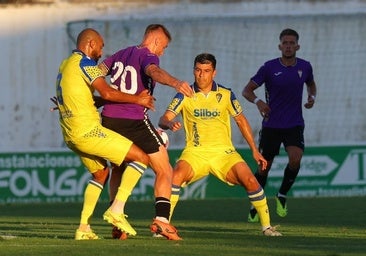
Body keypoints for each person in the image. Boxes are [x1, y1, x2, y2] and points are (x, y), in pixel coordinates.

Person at [158, 53, 282, 236]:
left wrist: (255, 151)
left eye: (206, 71)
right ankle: (163, 227)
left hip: (225, 154)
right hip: (195, 152)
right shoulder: (184, 95)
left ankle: (267, 227)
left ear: (214, 72)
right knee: (175, 176)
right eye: (198, 70)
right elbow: (164, 118)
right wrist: (168, 124)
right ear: (194, 71)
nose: (202, 75)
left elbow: (241, 120)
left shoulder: (225, 94)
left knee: (250, 180)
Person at [55, 28, 155, 240]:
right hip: (87, 131)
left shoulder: (66, 66)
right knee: (141, 158)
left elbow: (77, 95)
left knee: (101, 174)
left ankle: (84, 228)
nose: (101, 52)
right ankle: (116, 209)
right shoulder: (85, 63)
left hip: (70, 133)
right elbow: (107, 92)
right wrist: (139, 99)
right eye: (100, 47)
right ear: (90, 44)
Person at [98, 24, 193, 240]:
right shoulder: (149, 56)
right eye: (164, 47)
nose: (162, 52)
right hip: (133, 120)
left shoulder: (120, 54)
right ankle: (161, 221)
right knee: (164, 169)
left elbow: (96, 74)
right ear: (157, 41)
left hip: (109, 118)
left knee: (119, 168)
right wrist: (176, 82)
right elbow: (154, 72)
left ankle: (116, 219)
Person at [242, 28, 317, 222]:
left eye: (292, 43)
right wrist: (258, 102)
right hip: (271, 125)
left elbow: (311, 84)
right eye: (285, 43)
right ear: (280, 46)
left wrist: (312, 97)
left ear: (297, 46)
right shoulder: (269, 67)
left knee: (296, 158)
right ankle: (256, 203)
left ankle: (282, 194)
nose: (289, 46)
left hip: (294, 124)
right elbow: (247, 90)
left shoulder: (305, 67)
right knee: (263, 168)